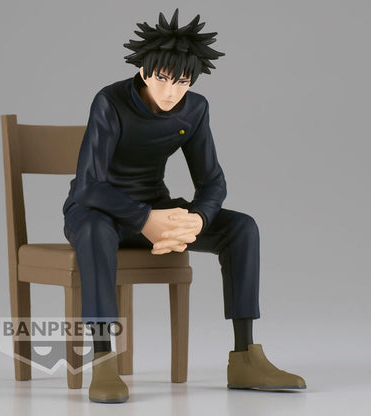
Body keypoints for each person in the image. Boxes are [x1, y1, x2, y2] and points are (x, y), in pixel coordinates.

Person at [62, 8, 306, 403]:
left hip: (156, 208)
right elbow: (88, 185)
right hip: (98, 211)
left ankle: (245, 356)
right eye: (163, 78)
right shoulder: (109, 101)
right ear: (143, 70)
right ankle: (103, 360)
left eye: (183, 81)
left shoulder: (195, 109)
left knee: (242, 227)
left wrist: (197, 219)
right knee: (94, 230)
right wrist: (145, 219)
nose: (172, 92)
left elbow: (213, 182)